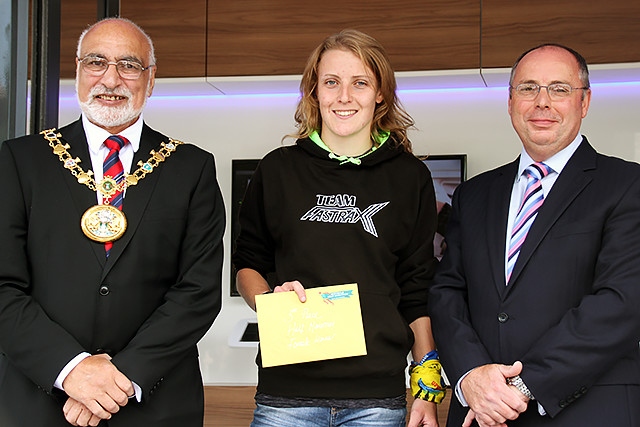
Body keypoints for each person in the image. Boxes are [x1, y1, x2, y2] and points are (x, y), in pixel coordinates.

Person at [0, 17, 225, 427]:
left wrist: (118, 379)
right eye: (96, 62)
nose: (111, 78)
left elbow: (198, 291)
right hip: (38, 402)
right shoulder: (20, 161)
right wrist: (72, 370)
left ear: (150, 78)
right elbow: (3, 285)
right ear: (78, 70)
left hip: (154, 403)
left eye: (129, 65)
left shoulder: (191, 168)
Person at [232, 29, 444, 427]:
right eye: (331, 82)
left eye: (359, 82)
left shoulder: (409, 177)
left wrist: (426, 386)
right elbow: (246, 266)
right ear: (314, 92)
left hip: (377, 400)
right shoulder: (277, 170)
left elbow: (417, 289)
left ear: (380, 93)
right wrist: (270, 302)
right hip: (286, 398)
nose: (344, 96)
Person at [428, 43, 640, 427]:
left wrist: (522, 386)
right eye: (528, 88)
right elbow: (447, 295)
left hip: (588, 412)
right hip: (481, 413)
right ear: (510, 102)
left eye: (559, 89)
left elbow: (621, 303)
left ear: (585, 102)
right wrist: (471, 376)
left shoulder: (628, 185)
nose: (542, 102)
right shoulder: (474, 194)